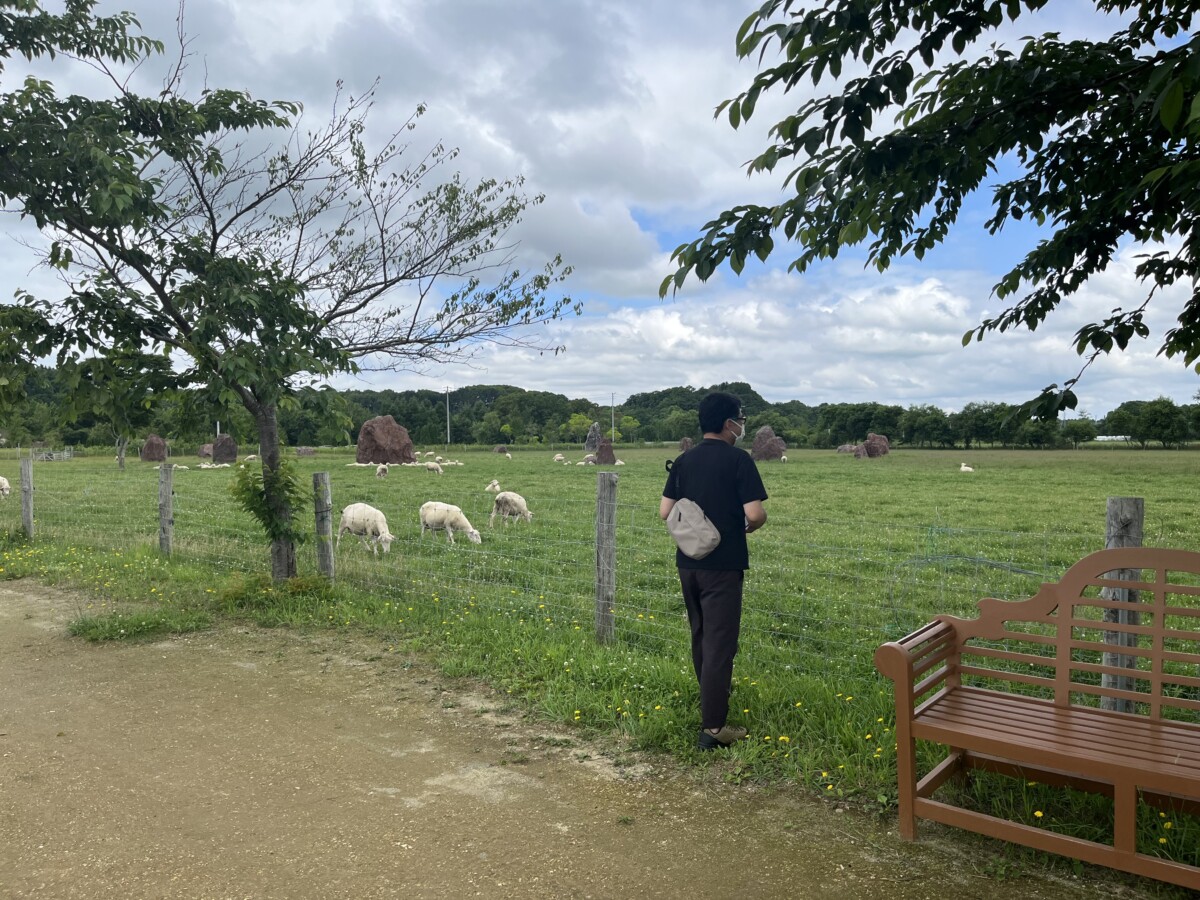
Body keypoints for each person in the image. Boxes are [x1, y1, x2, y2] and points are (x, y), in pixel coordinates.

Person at [660, 392, 768, 751]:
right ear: (728, 423)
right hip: (723, 565)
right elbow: (754, 514)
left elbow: (665, 512)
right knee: (720, 643)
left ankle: (711, 700)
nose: (742, 426)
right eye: (740, 420)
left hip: (688, 562)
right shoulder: (739, 460)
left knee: (701, 634)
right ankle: (714, 728)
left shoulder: (683, 461)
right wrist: (752, 525)